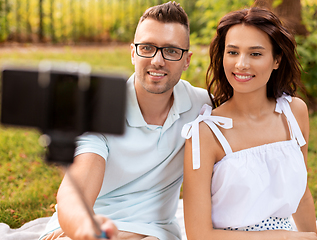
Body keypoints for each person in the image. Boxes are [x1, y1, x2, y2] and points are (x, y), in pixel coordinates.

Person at [39, 2, 211, 240]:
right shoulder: (100, 108)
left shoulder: (203, 107)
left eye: (171, 51)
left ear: (187, 60)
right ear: (133, 53)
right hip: (81, 229)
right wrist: (83, 228)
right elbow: (75, 189)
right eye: (147, 48)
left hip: (154, 233)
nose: (157, 61)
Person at [181, 7, 317, 240]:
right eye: (233, 52)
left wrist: (311, 236)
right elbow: (199, 234)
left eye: (255, 54)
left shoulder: (294, 112)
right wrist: (285, 238)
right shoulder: (205, 134)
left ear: (276, 60)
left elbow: (302, 193)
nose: (241, 64)